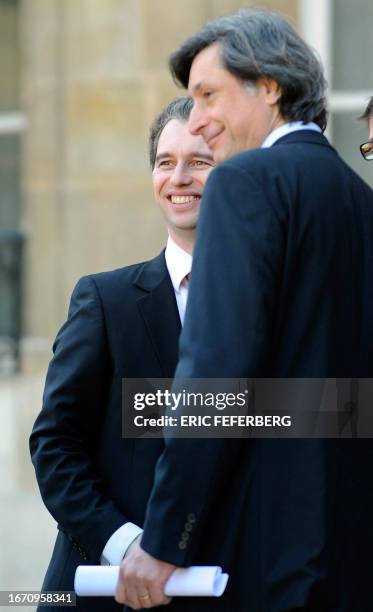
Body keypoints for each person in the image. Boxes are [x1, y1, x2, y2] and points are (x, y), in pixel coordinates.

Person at [116, 8, 373, 611]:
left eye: (208, 95)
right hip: (356, 552)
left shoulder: (244, 182)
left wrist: (164, 539)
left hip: (265, 554)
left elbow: (214, 372)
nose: (198, 122)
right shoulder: (362, 200)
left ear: (269, 86)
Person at [29, 96, 215, 612]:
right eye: (164, 162)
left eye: (200, 162)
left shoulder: (274, 307)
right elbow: (55, 445)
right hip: (105, 592)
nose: (179, 177)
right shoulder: (105, 300)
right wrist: (125, 545)